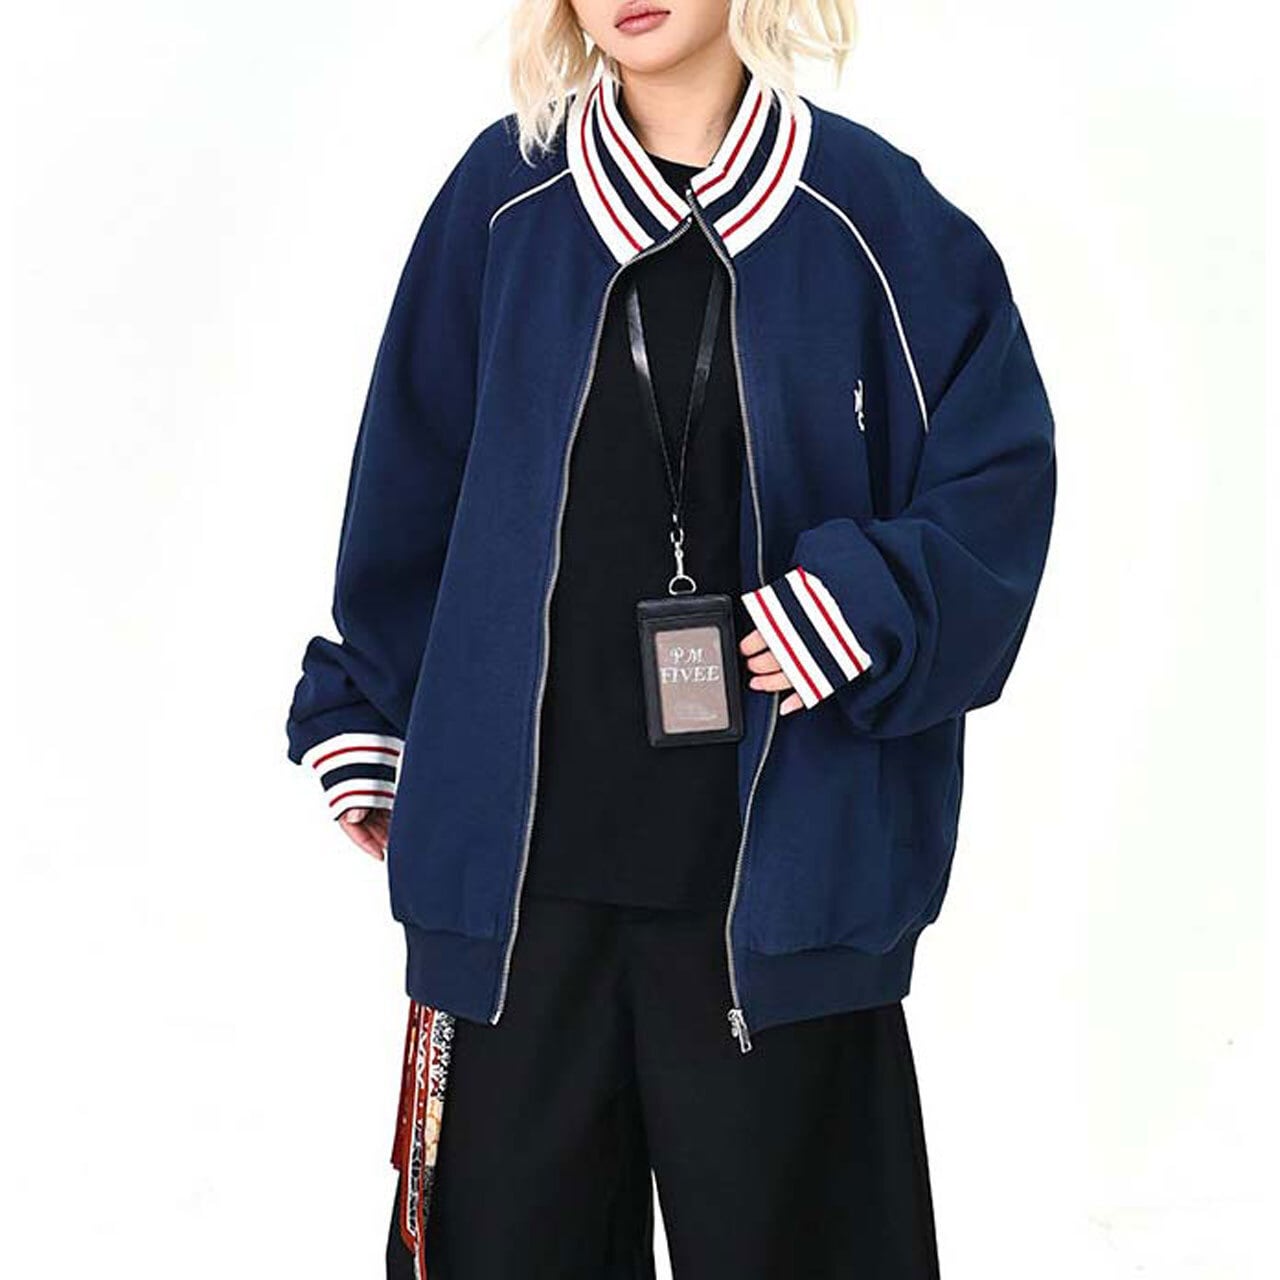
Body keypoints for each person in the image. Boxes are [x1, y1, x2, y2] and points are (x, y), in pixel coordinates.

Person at [284, 1, 1057, 1275]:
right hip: (523, 896)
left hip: (784, 891)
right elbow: (409, 480)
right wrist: (377, 710)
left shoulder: (871, 213)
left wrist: (858, 607)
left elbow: (996, 486)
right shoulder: (504, 200)